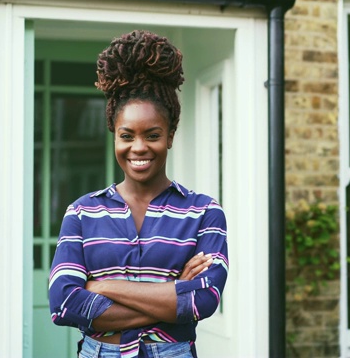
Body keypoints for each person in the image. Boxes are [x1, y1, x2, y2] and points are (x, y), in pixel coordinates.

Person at [48, 30, 229, 358]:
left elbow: (204, 299)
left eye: (153, 134)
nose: (139, 147)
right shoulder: (82, 212)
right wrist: (173, 294)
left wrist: (101, 287)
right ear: (114, 136)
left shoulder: (204, 212)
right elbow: (63, 304)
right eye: (126, 135)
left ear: (170, 135)